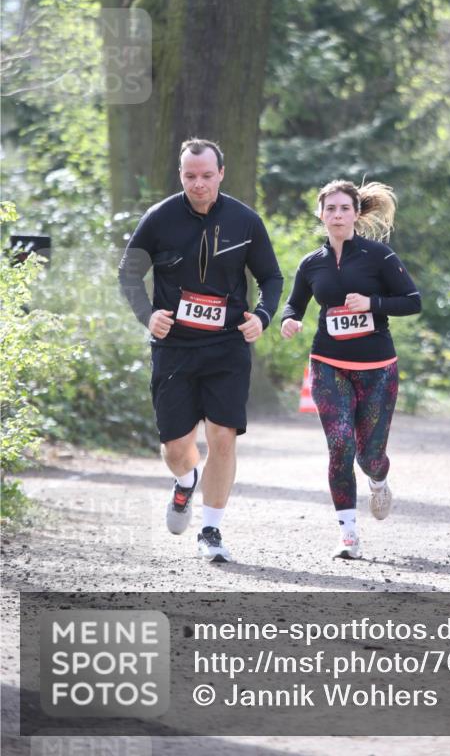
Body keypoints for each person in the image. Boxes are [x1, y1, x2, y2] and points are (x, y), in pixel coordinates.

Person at [119, 138, 282, 563]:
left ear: (221, 174)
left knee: (223, 437)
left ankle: (210, 529)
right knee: (176, 447)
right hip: (174, 346)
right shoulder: (159, 219)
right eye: (190, 176)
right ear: (181, 175)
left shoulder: (245, 221)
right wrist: (146, 315)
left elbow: (271, 277)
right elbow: (129, 273)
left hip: (227, 345)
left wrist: (261, 317)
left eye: (207, 176)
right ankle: (186, 479)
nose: (199, 184)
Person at [280, 180, 421, 560]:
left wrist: (372, 303)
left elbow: (412, 301)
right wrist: (288, 321)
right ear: (320, 214)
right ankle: (348, 534)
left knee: (369, 454)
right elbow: (294, 305)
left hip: (377, 368)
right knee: (340, 446)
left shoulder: (379, 256)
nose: (337, 215)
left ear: (356, 214)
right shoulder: (312, 263)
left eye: (344, 208)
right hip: (328, 365)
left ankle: (378, 478)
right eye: (331, 209)